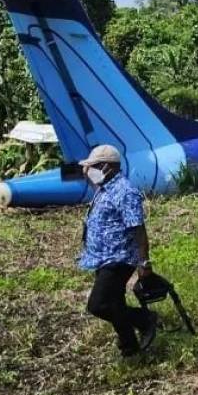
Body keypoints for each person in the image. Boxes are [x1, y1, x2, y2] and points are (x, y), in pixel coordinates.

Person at [79, 144, 158, 356]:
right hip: (102, 257)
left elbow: (138, 229)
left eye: (92, 167)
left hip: (119, 258)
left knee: (99, 305)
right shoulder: (104, 188)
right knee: (114, 302)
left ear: (107, 167)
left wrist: (144, 262)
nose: (87, 171)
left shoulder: (125, 191)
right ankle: (130, 347)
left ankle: (144, 319)